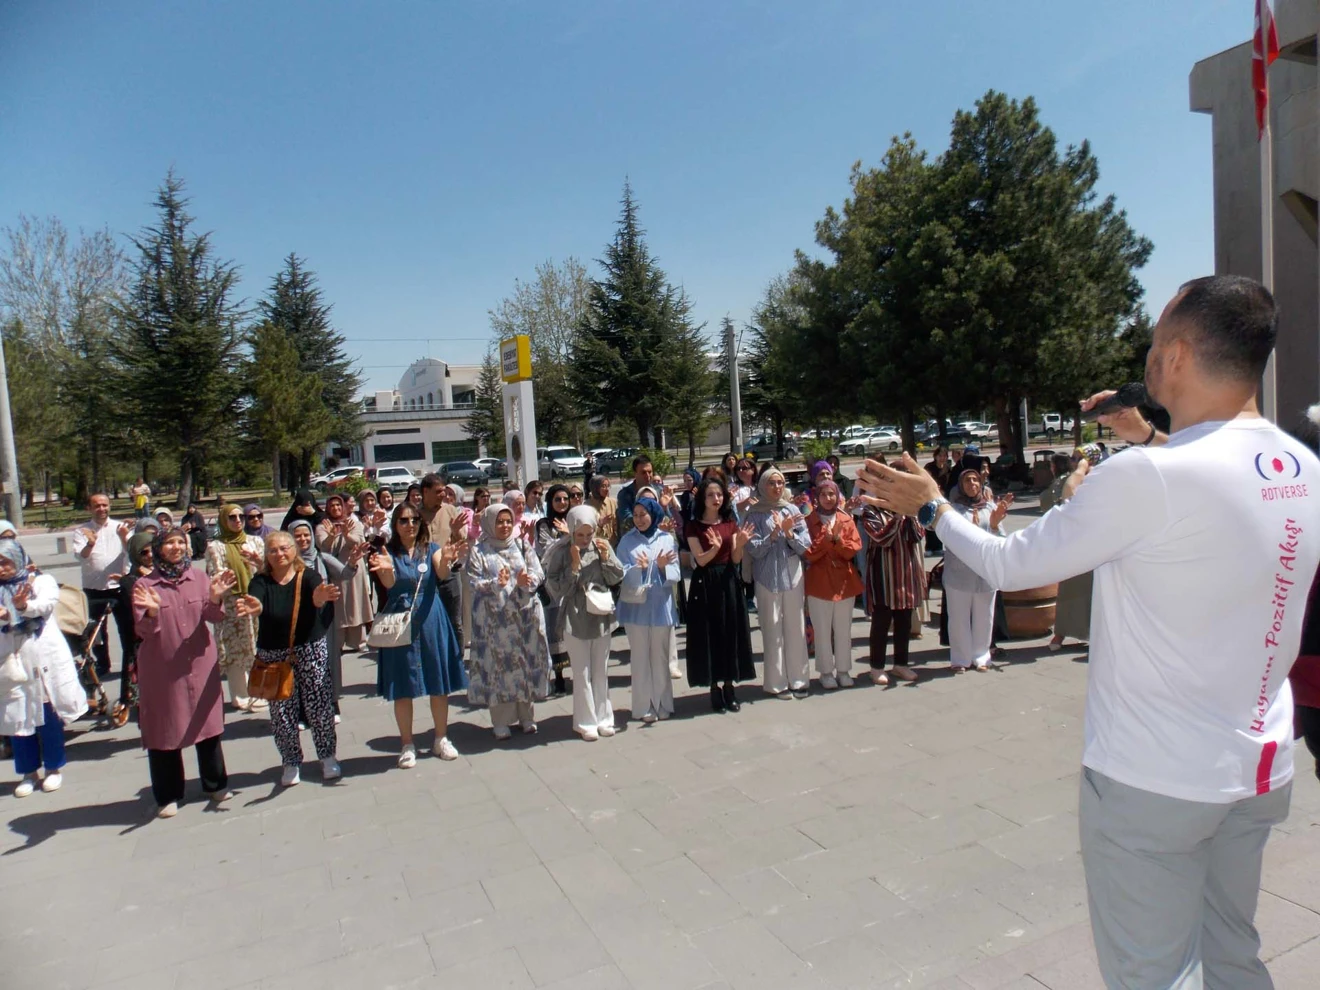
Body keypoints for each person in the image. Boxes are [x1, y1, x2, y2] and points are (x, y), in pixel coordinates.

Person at [856, 274, 1319, 990]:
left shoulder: (1146, 477)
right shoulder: (1300, 466)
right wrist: (1152, 435)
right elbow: (1214, 487)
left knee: (1153, 975)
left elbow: (1008, 564)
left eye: (1155, 342)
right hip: (1259, 767)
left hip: (1157, 780)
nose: (1147, 357)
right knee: (1234, 955)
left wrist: (932, 509)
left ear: (1177, 355)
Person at [131, 529, 235, 817]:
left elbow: (214, 617)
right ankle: (168, 794)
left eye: (180, 542)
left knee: (208, 725)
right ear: (158, 548)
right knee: (164, 729)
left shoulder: (198, 577)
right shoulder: (145, 585)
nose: (176, 547)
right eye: (169, 542)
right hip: (162, 669)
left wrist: (215, 598)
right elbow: (142, 631)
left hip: (199, 664)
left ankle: (215, 783)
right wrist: (152, 613)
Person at [233, 531, 342, 786]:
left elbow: (317, 594)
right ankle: (291, 761)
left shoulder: (308, 575)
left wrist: (319, 599)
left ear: (294, 550)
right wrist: (254, 607)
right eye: (273, 550)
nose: (279, 554)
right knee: (282, 713)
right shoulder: (261, 581)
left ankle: (327, 756)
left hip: (310, 648)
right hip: (274, 654)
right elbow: (257, 601)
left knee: (319, 706)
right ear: (266, 555)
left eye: (284, 548)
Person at [368, 504, 467, 766]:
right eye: (403, 520)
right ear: (395, 524)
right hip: (400, 619)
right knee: (402, 685)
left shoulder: (431, 548)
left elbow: (442, 573)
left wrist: (446, 559)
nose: (410, 524)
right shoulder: (389, 552)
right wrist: (386, 569)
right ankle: (407, 744)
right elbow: (389, 584)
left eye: (414, 520)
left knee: (438, 682)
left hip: (430, 615)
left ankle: (441, 738)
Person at [1, 541, 87, 798]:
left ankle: (53, 768)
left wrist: (20, 607)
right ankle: (28, 773)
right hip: (11, 664)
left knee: (48, 715)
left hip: (42, 660)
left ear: (18, 559)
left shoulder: (41, 581)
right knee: (18, 719)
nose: (1, 568)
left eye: (5, 561)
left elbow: (45, 606)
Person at [466, 503, 551, 740]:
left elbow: (538, 572)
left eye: (507, 521)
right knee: (499, 668)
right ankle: (501, 721)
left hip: (524, 617)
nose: (504, 526)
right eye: (499, 522)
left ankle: (527, 716)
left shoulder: (522, 545)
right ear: (489, 524)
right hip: (494, 621)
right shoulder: (479, 551)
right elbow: (473, 582)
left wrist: (527, 581)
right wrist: (496, 584)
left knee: (524, 664)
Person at [544, 505, 624, 741]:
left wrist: (606, 559)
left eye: (589, 534)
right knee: (582, 673)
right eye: (580, 534)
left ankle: (604, 718)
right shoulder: (562, 551)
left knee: (601, 670)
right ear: (571, 530)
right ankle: (585, 721)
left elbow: (617, 576)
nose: (586, 539)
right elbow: (555, 588)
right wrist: (574, 565)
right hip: (575, 616)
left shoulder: (601, 545)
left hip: (600, 614)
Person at [685, 478, 756, 712]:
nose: (716, 499)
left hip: (728, 580)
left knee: (729, 631)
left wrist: (741, 544)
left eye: (719, 494)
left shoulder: (730, 522)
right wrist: (714, 548)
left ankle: (729, 686)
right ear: (702, 499)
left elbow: (735, 558)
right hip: (706, 583)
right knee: (710, 633)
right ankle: (714, 687)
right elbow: (700, 560)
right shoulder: (694, 526)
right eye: (710, 495)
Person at [745, 467, 813, 698]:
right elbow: (753, 549)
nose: (776, 487)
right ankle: (777, 683)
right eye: (771, 483)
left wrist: (789, 533)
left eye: (780, 483)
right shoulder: (754, 514)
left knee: (795, 628)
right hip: (766, 579)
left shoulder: (792, 510)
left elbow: (805, 546)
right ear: (762, 486)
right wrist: (773, 534)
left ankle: (799, 680)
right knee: (772, 631)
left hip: (792, 576)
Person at [616, 497, 682, 723]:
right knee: (640, 658)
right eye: (635, 515)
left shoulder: (666, 539)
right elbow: (620, 573)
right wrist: (639, 569)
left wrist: (662, 568)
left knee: (660, 658)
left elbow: (676, 573)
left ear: (653, 514)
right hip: (636, 610)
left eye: (643, 514)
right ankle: (643, 706)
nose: (639, 519)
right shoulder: (627, 541)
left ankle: (663, 703)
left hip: (661, 607)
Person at [937, 469, 1010, 672]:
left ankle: (981, 656)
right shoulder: (953, 511)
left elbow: (1001, 540)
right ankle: (960, 659)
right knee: (958, 618)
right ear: (961, 485)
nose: (972, 484)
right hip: (959, 574)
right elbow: (947, 537)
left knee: (984, 618)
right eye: (967, 480)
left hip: (985, 574)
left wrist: (994, 525)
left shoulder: (990, 508)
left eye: (976, 480)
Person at [287, 520, 354, 718]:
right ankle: (303, 712)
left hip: (324, 620)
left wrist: (352, 562)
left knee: (328, 660)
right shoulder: (286, 563)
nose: (303, 539)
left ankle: (332, 703)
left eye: (306, 535)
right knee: (301, 665)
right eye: (297, 536)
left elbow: (345, 574)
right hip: (298, 622)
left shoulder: (322, 558)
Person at [205, 503, 266, 712]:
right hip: (231, 604)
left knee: (257, 646)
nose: (238, 520)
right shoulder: (215, 546)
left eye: (241, 516)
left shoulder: (254, 541)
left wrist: (259, 563)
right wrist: (225, 578)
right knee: (235, 650)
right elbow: (215, 574)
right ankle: (240, 696)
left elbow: (266, 570)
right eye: (232, 517)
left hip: (254, 600)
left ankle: (260, 692)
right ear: (224, 520)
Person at [803, 480, 863, 690]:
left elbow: (852, 550)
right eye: (823, 494)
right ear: (816, 497)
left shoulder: (846, 519)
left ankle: (844, 670)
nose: (828, 498)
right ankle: (826, 672)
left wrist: (837, 540)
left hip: (844, 582)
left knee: (843, 629)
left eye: (832, 494)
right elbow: (808, 553)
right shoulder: (808, 521)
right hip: (819, 583)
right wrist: (827, 541)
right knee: (821, 630)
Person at [862, 492, 926, 685]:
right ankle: (877, 667)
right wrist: (897, 518)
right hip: (883, 574)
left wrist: (910, 516)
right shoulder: (870, 512)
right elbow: (881, 538)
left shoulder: (907, 510)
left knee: (904, 621)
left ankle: (901, 664)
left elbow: (917, 535)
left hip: (905, 573)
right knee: (881, 622)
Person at [70, 493, 132, 678]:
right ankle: (103, 664)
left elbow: (133, 552)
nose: (101, 509)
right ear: (89, 508)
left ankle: (130, 664)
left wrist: (124, 537)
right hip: (94, 588)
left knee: (127, 628)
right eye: (97, 505)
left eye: (105, 505)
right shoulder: (82, 531)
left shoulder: (121, 528)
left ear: (109, 506)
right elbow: (80, 556)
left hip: (119, 587)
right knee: (96, 632)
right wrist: (90, 544)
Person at [1042, 454, 1093, 652]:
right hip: (1075, 543)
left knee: (1078, 591)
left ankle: (1063, 634)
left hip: (1084, 543)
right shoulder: (1067, 480)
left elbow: (1054, 501)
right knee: (1071, 590)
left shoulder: (1075, 480)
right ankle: (1061, 633)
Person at [317, 494, 374, 651]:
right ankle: (338, 643)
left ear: (343, 507)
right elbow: (323, 547)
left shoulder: (353, 523)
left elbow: (360, 542)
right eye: (332, 505)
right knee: (339, 606)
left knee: (356, 603)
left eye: (338, 505)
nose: (335, 508)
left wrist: (347, 535)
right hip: (335, 571)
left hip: (354, 568)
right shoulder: (323, 526)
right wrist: (331, 536)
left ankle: (359, 641)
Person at [419, 473, 467, 647]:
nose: (443, 495)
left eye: (444, 491)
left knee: (454, 621)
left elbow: (462, 540)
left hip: (450, 572)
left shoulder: (450, 510)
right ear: (425, 491)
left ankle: (457, 657)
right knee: (428, 620)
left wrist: (455, 530)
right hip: (426, 574)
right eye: (438, 491)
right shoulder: (415, 514)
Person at [535, 484, 573, 695]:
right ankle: (558, 677)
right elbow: (547, 550)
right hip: (553, 585)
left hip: (574, 581)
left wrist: (571, 534)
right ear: (550, 502)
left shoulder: (574, 519)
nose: (562, 503)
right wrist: (568, 537)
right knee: (555, 631)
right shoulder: (543, 524)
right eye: (557, 499)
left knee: (574, 629)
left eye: (565, 499)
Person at [616, 455, 656, 536]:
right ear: (635, 473)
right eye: (643, 472)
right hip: (634, 538)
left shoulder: (658, 491)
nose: (648, 476)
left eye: (650, 472)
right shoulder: (625, 494)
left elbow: (667, 519)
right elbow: (627, 520)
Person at [587, 475, 619, 547]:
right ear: (595, 488)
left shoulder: (613, 502)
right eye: (603, 486)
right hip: (595, 544)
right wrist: (600, 525)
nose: (607, 489)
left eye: (608, 486)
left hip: (613, 544)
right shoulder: (587, 506)